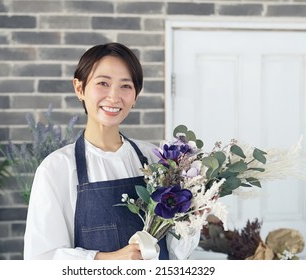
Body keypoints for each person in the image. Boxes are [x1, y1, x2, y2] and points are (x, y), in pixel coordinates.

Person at [23, 42, 200, 260]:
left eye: (126, 86)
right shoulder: (57, 168)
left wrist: (193, 218)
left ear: (135, 96)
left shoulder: (157, 160)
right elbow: (41, 258)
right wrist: (109, 260)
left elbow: (175, 252)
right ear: (79, 88)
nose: (114, 97)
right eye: (103, 83)